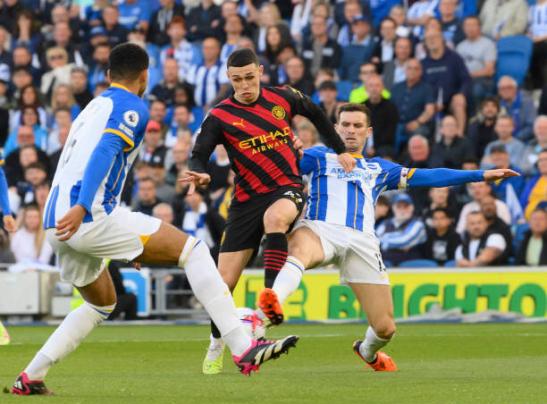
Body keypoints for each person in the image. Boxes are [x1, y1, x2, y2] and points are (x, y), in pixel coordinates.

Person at [11, 43, 299, 396]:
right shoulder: (132, 106)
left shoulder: (91, 106)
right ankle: (243, 348)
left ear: (107, 76)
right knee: (194, 252)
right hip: (87, 215)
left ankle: (31, 376)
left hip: (57, 222)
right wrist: (85, 206)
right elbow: (106, 149)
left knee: (101, 303)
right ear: (145, 75)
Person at [257, 103, 517, 372]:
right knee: (299, 250)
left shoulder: (379, 168)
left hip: (362, 242)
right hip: (320, 229)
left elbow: (430, 176)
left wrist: (480, 175)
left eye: (357, 126)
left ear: (368, 131)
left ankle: (366, 351)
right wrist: (284, 146)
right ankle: (270, 304)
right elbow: (275, 163)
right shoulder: (319, 156)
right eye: (345, 125)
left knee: (385, 328)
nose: (350, 131)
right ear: (335, 128)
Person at [185, 48, 354, 375]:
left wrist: (340, 149)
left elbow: (317, 114)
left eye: (250, 77)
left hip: (285, 187)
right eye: (237, 79)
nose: (245, 84)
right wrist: (200, 172)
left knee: (275, 219)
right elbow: (199, 152)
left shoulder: (284, 97)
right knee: (223, 285)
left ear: (260, 71)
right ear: (228, 78)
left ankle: (269, 300)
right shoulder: (220, 115)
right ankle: (216, 342)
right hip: (245, 200)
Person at [376, 193, 427, 266]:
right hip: (386, 264)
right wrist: (399, 236)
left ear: (412, 208)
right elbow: (375, 241)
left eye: (406, 206)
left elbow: (404, 241)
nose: (402, 210)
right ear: (393, 208)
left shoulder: (418, 224)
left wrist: (385, 239)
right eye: (399, 206)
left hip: (411, 267)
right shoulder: (385, 223)